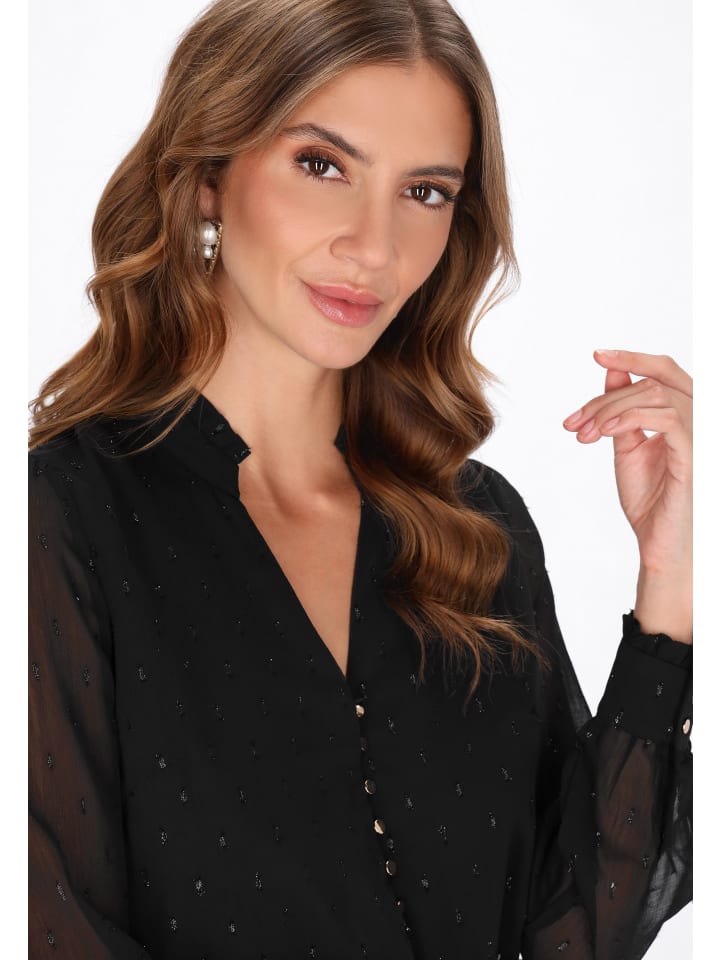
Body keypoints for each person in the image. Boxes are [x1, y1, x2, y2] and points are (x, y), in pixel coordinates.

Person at [28, 0, 692, 957]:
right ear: (208, 175)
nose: (375, 247)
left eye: (425, 191)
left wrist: (671, 584)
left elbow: (575, 926)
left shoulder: (479, 529)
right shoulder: (61, 520)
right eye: (322, 165)